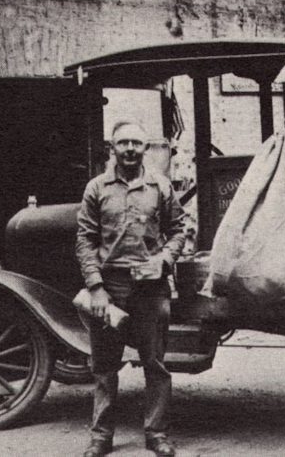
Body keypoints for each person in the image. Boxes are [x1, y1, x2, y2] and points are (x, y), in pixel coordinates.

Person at [75, 121, 187, 457]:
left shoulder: (160, 186)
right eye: (123, 142)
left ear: (145, 148)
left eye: (136, 143)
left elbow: (179, 230)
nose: (129, 149)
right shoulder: (97, 188)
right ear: (112, 147)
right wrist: (96, 287)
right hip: (110, 288)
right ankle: (101, 437)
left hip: (150, 288)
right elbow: (85, 240)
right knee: (104, 367)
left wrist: (163, 260)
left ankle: (157, 434)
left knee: (155, 365)